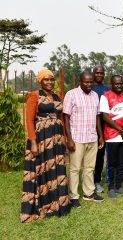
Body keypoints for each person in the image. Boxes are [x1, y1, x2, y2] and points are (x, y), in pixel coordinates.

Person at [20, 69, 71, 223]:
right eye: (46, 79)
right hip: (41, 139)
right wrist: (33, 143)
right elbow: (29, 121)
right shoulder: (34, 96)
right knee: (41, 170)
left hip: (56, 139)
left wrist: (65, 138)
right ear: (40, 81)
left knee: (56, 169)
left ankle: (58, 205)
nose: (49, 82)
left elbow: (61, 118)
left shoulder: (57, 97)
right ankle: (41, 205)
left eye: (51, 79)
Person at [63, 71, 105, 208]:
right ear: (80, 81)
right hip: (77, 138)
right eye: (86, 82)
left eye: (91, 82)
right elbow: (66, 117)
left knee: (89, 168)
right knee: (75, 169)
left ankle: (89, 193)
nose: (89, 84)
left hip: (92, 137)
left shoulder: (95, 96)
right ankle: (74, 196)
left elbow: (98, 117)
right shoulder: (71, 94)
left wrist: (100, 136)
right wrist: (69, 139)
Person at [99, 75, 123, 198]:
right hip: (112, 136)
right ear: (111, 84)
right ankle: (111, 188)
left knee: (122, 162)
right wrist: (120, 129)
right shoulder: (105, 96)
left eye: (121, 84)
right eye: (116, 84)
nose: (119, 86)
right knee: (111, 163)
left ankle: (118, 186)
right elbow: (105, 116)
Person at [92, 65, 111, 193]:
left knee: (100, 155)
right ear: (93, 73)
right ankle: (88, 179)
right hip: (89, 126)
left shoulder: (107, 89)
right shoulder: (88, 86)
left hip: (104, 127)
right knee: (89, 156)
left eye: (101, 73)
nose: (99, 75)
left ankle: (97, 180)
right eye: (97, 72)